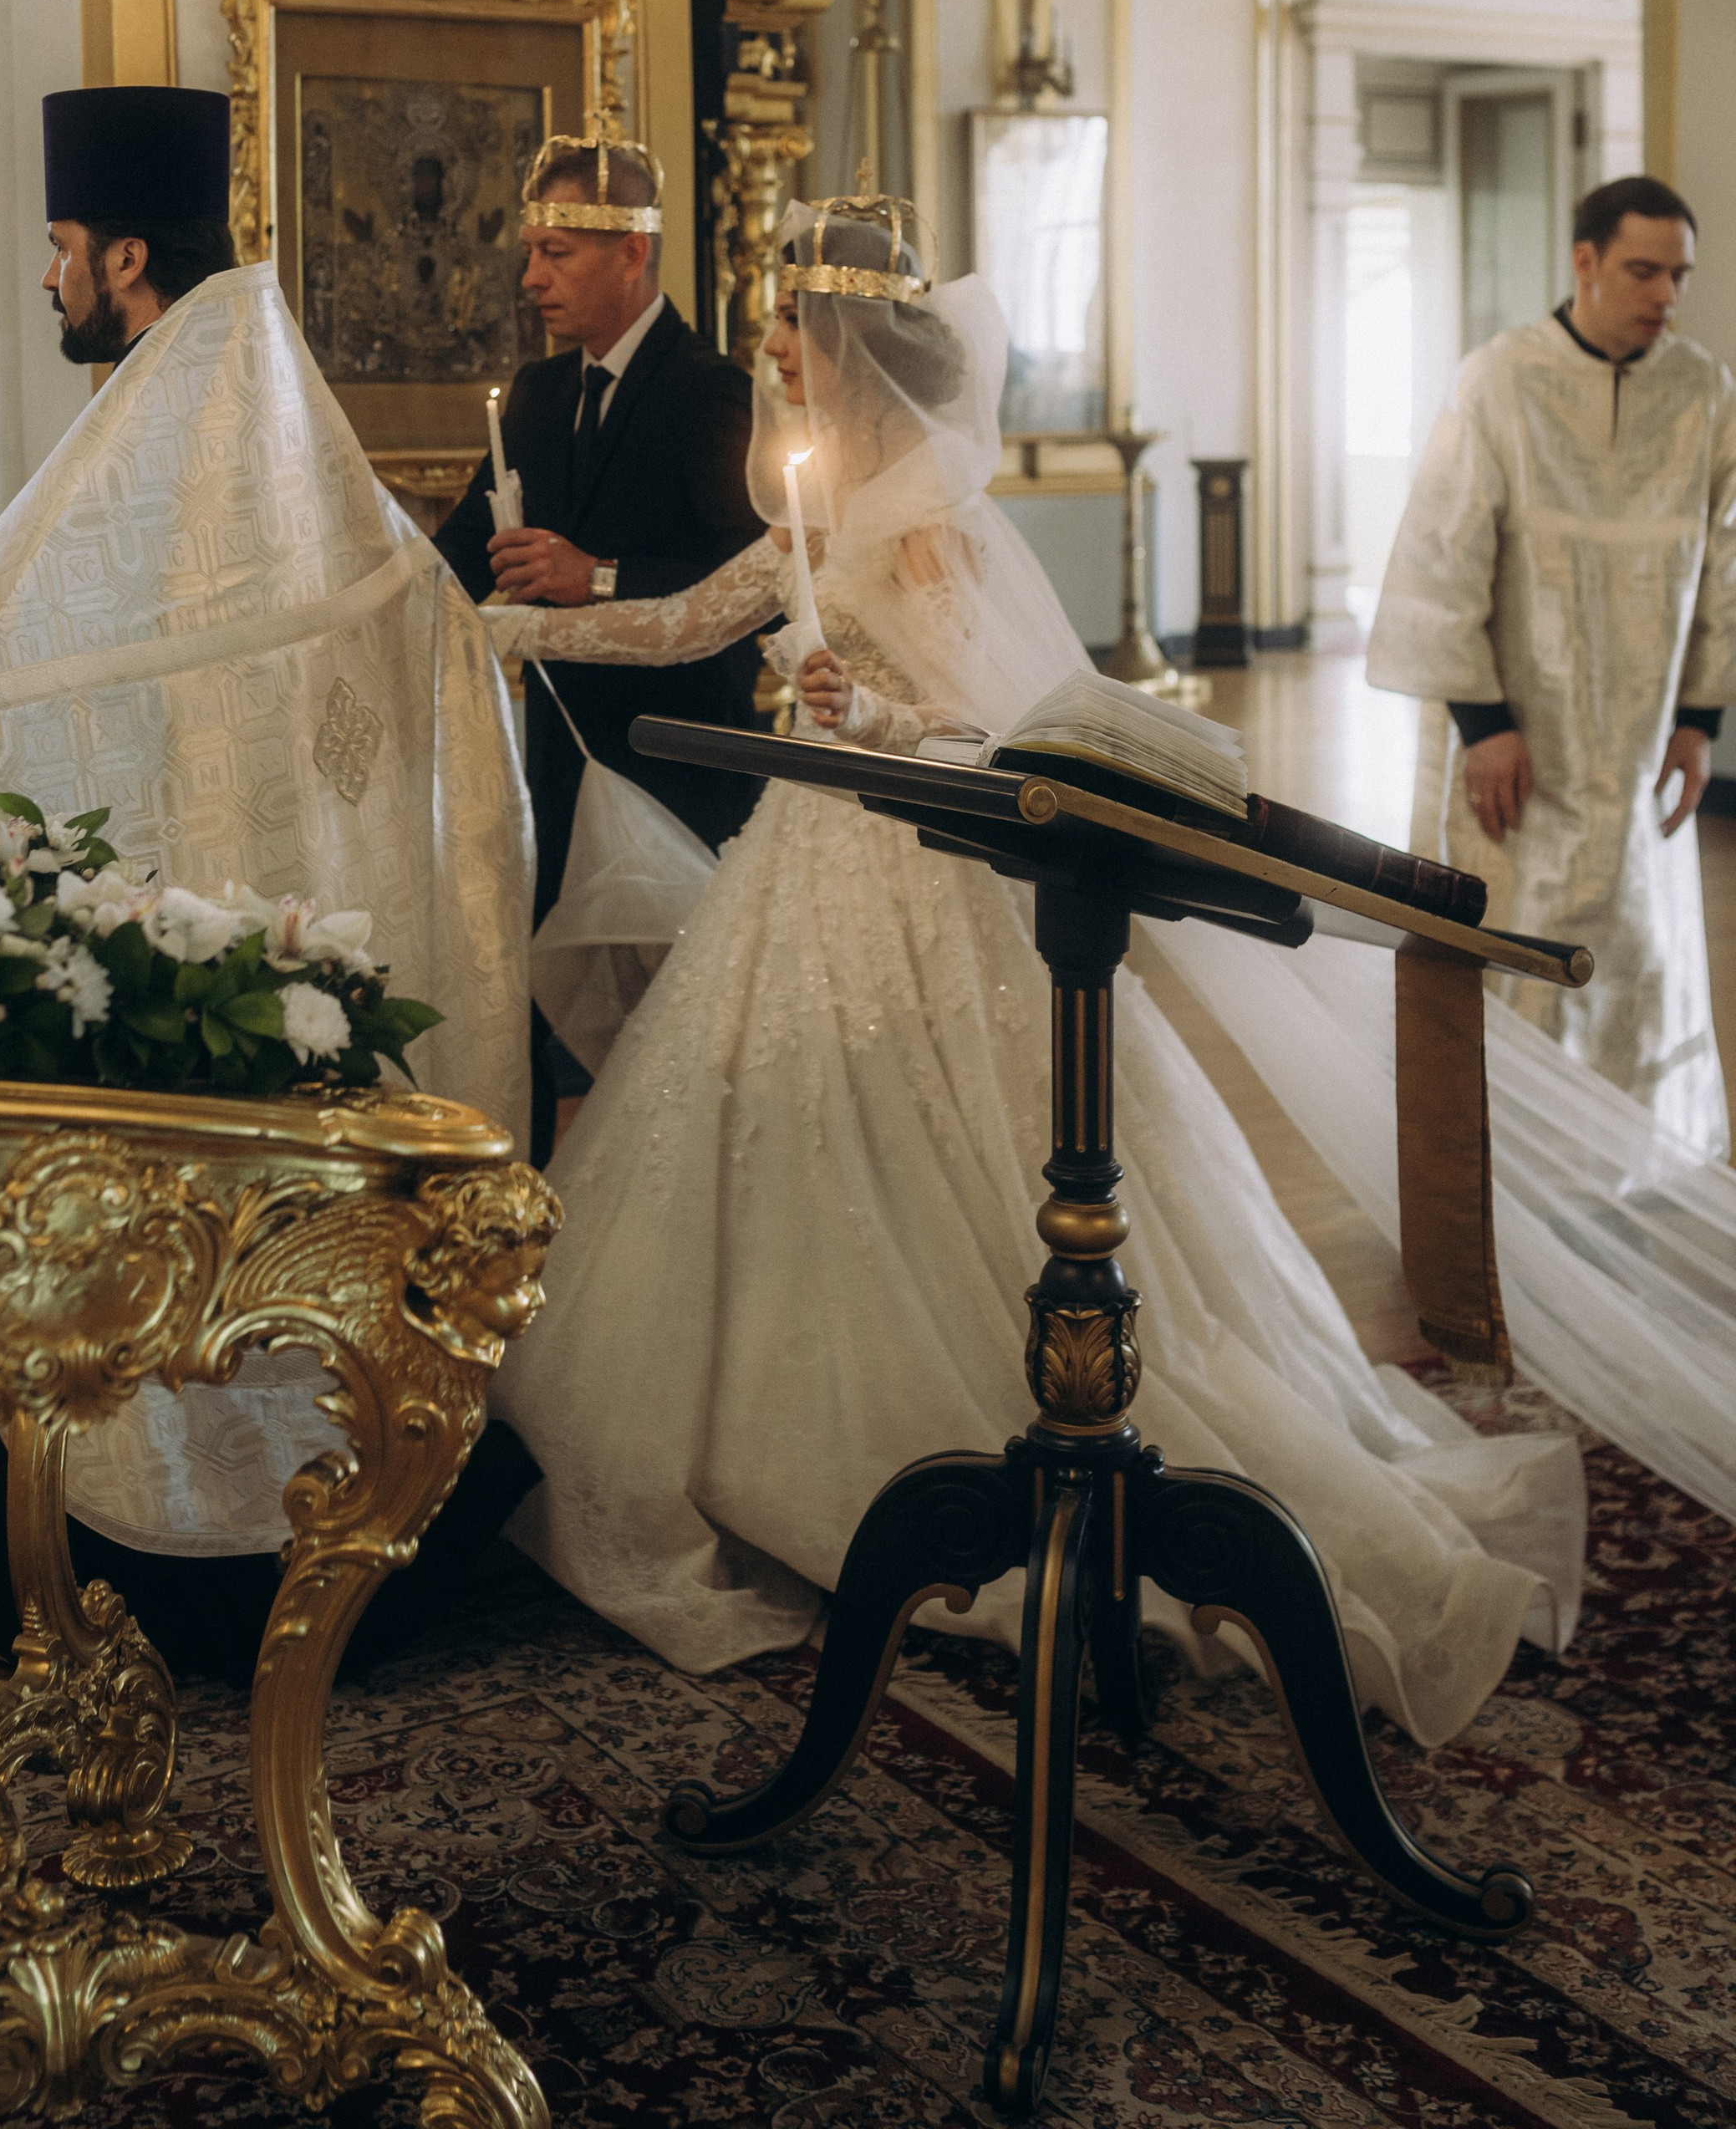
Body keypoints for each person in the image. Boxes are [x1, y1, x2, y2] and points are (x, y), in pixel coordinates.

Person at [479, 191, 1591, 1750]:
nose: (773, 351)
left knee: (937, 1145)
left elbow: (993, 732)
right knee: (750, 1115)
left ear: (854, 344)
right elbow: (677, 623)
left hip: (913, 872)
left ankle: (949, 1449)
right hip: (798, 864)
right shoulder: (807, 503)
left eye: (793, 328)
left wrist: (862, 715)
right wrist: (507, 635)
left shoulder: (925, 516)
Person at [0, 84, 537, 1664]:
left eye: (62, 246)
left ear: (128, 257)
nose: (49, 278)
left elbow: (11, 669)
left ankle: (184, 1559)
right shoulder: (251, 391)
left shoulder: (182, 403)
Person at [1367, 173, 1736, 1156]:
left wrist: (1700, 720)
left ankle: (1624, 1162)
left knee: (1634, 947)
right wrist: (1484, 728)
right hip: (1520, 738)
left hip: (1641, 738)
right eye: (1643, 271)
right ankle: (1502, 1164)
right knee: (1517, 939)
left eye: (1679, 276)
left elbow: (1727, 561)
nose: (1665, 295)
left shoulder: (1703, 392)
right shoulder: (1498, 379)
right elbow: (1440, 558)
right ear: (1585, 262)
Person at [436, 130, 764, 1155]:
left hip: (682, 766)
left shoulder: (712, 391)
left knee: (684, 1029)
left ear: (632, 254)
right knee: (536, 1007)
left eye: (557, 254)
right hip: (557, 769)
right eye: (530, 254)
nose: (531, 278)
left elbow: (756, 586)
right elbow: (456, 558)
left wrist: (601, 576)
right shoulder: (538, 395)